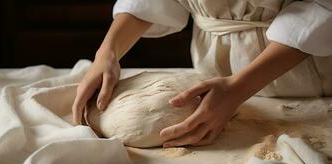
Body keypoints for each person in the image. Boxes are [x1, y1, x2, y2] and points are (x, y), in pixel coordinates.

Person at [72, 0, 332, 148]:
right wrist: (107, 52)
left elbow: (319, 13)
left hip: (299, 80)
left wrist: (238, 88)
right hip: (213, 74)